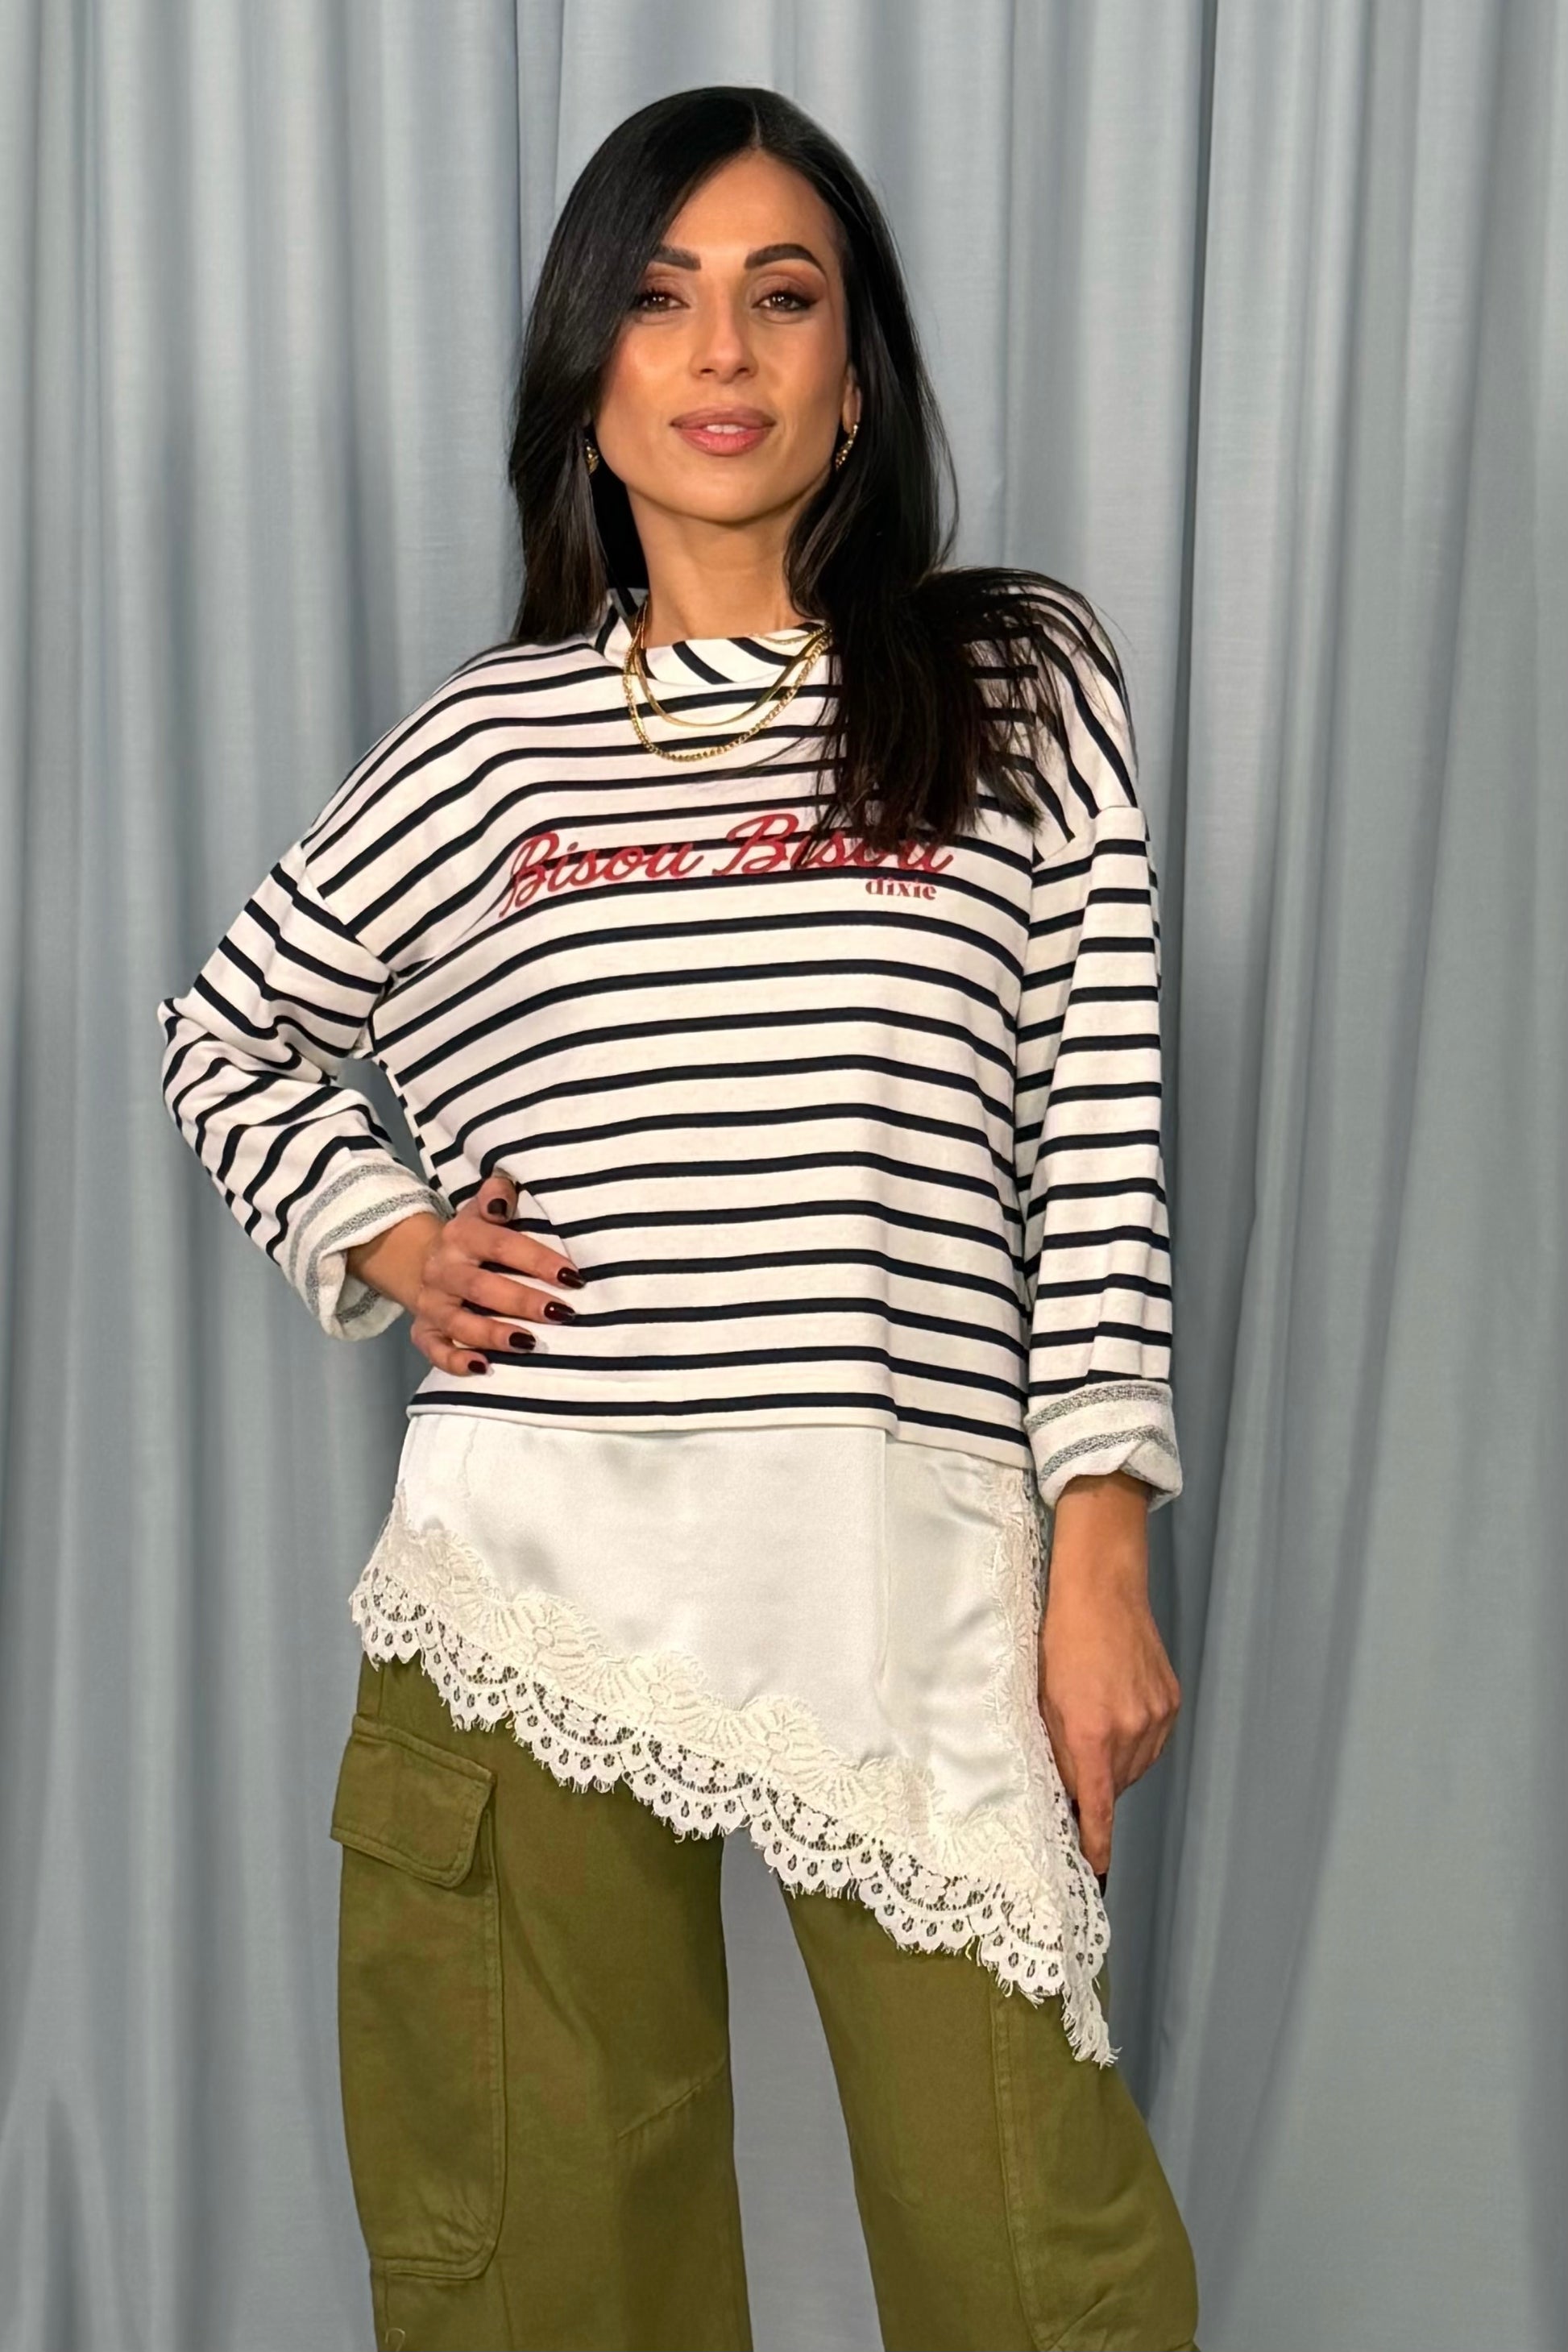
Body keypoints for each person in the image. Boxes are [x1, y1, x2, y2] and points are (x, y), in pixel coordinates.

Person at [157, 83, 1200, 2352]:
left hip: (900, 1569)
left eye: (780, 297)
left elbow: (1099, 1135)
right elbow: (224, 1036)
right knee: (547, 2276)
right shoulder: (485, 747)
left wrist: (1099, 1549)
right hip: (528, 1584)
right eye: (657, 297)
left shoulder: (1019, 687)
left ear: (856, 376)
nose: (720, 352)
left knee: (1040, 2267)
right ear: (588, 371)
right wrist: (388, 1235)